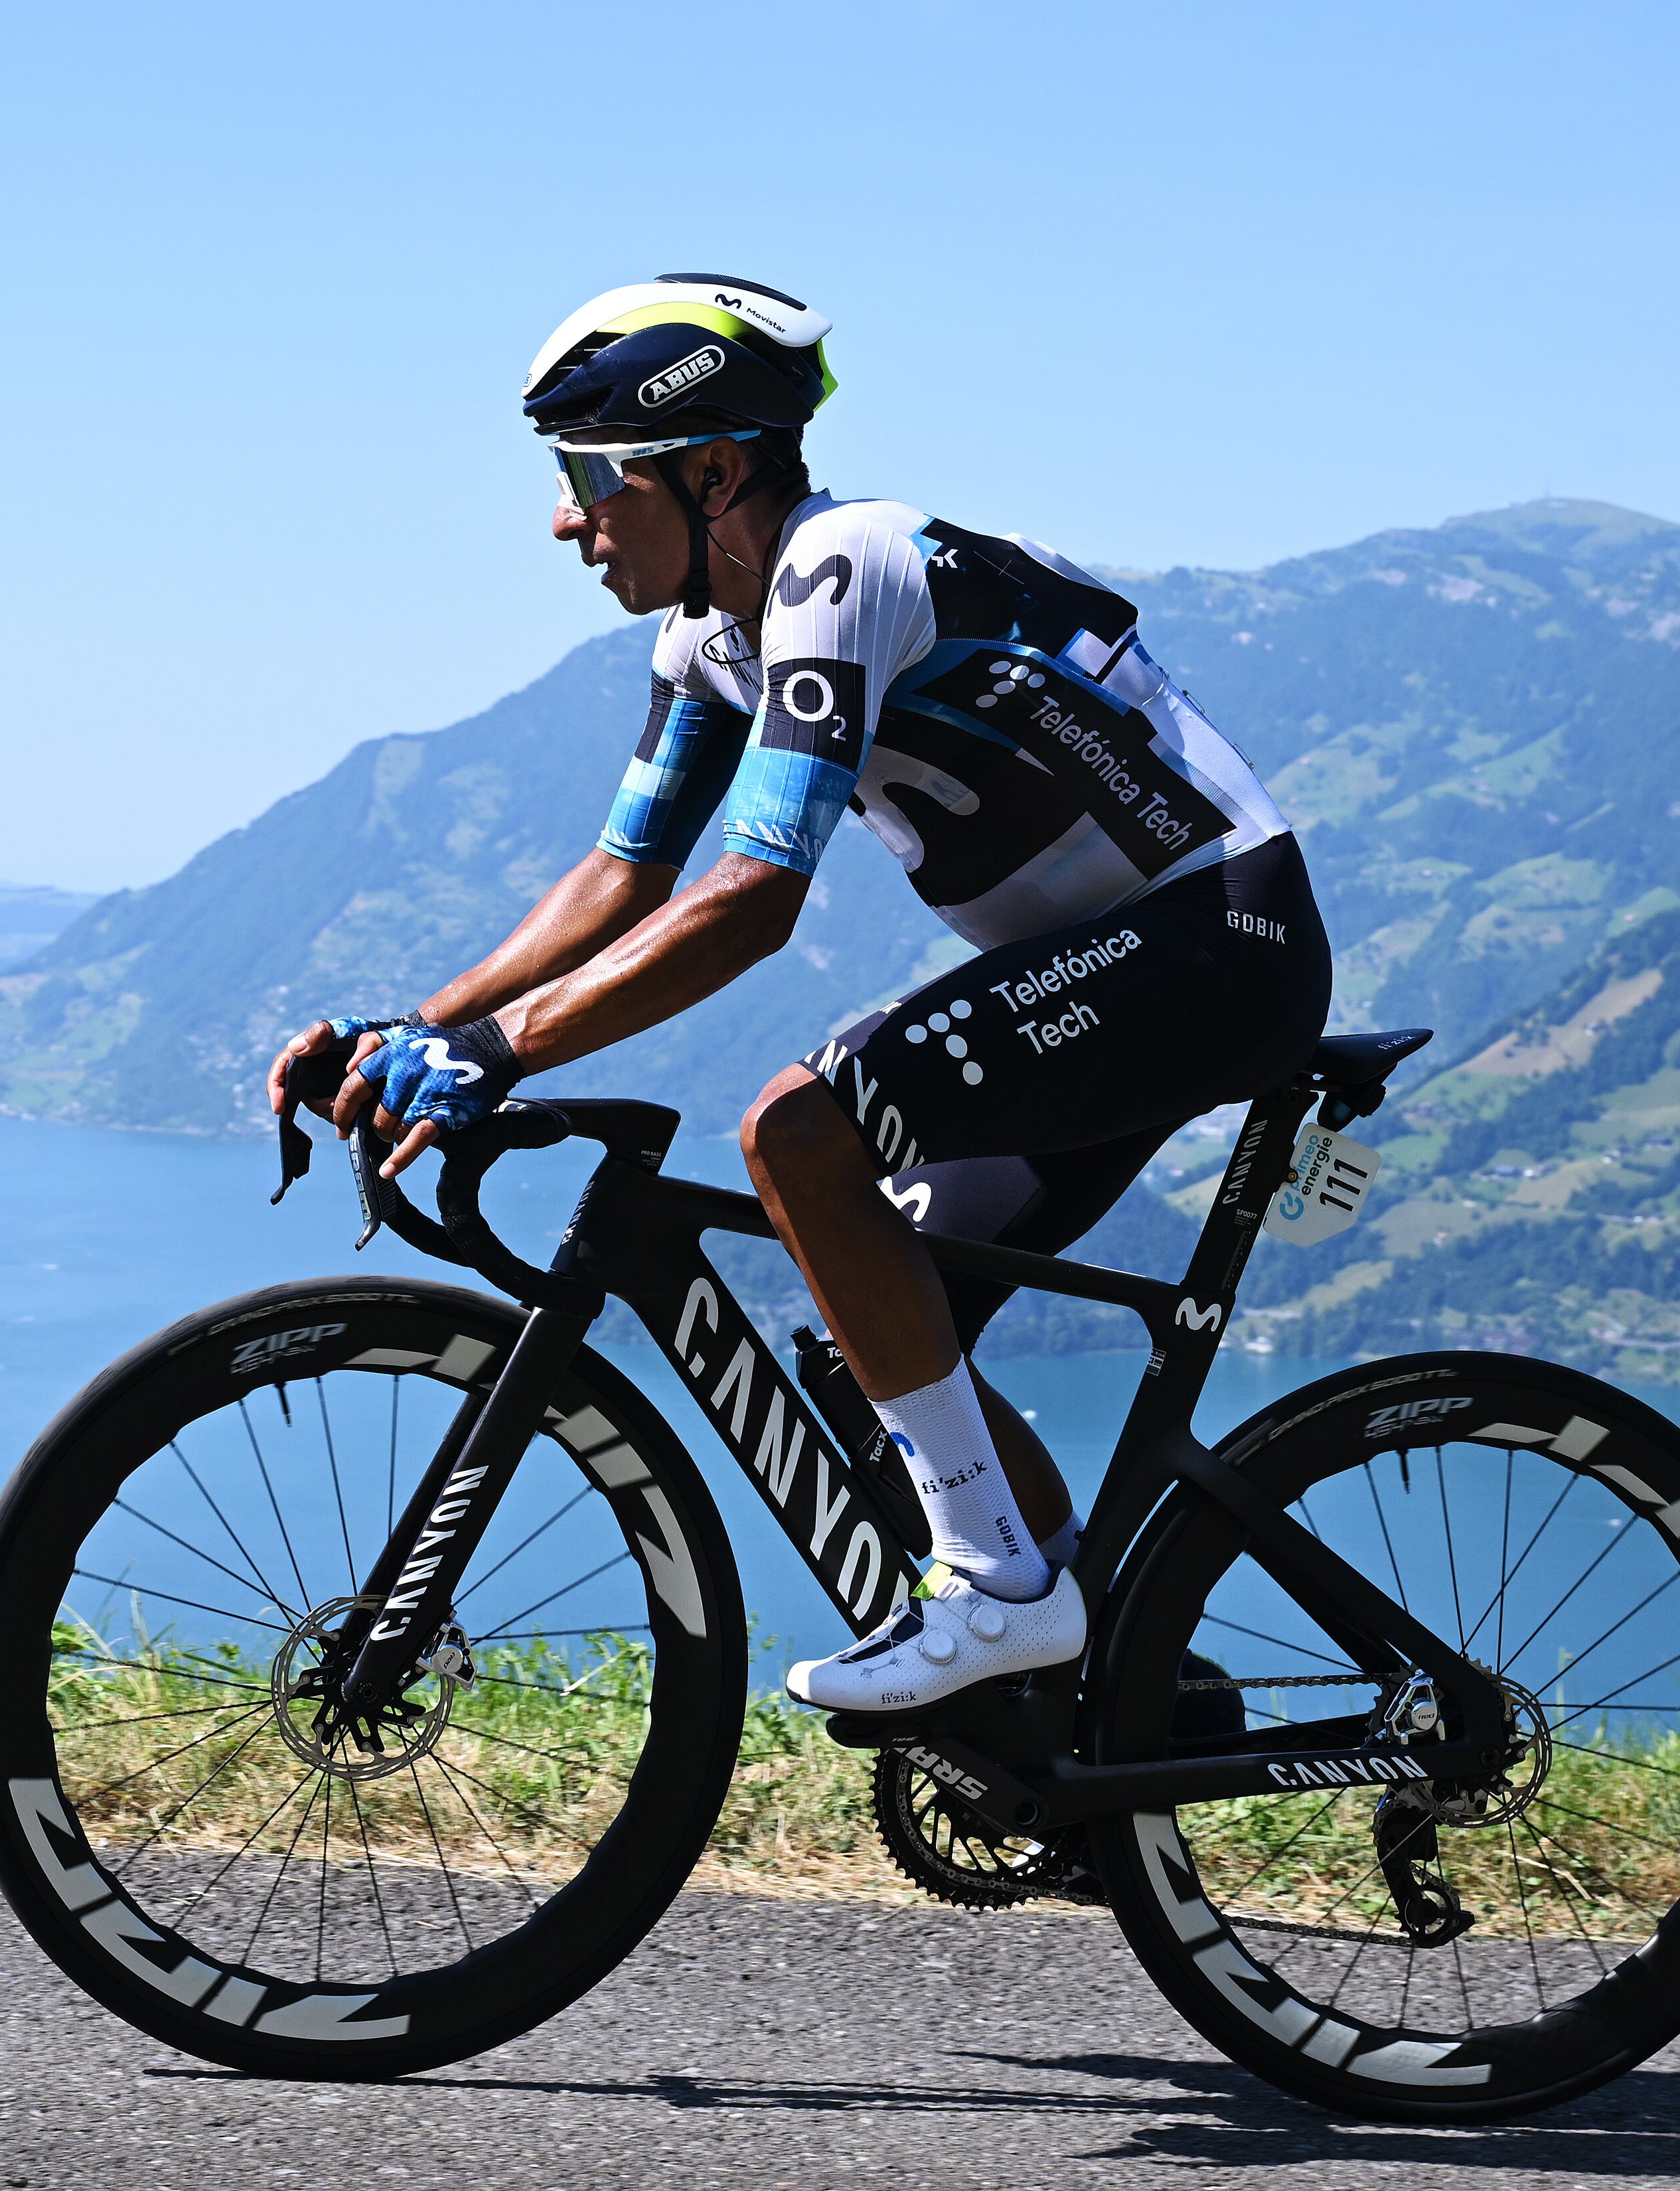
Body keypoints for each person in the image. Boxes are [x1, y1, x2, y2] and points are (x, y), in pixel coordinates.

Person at [270, 274, 1330, 1713]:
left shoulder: (845, 569)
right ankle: (1113, 1687)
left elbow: (753, 897)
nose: (567, 520)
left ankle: (1001, 1592)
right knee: (864, 1340)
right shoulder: (709, 633)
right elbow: (621, 876)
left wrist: (498, 1053)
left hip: (1218, 945)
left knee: (799, 1133)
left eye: (595, 477)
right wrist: (429, 1032)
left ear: (712, 473)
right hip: (1105, 975)